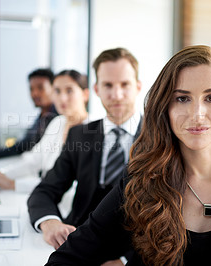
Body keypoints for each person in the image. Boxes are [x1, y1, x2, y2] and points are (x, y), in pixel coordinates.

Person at [45, 45, 211, 265]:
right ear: (166, 107)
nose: (197, 114)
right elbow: (68, 258)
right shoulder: (140, 183)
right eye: (182, 98)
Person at [27, 48, 142, 258]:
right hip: (78, 240)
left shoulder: (162, 138)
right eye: (108, 85)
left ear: (138, 86)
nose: (116, 95)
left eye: (124, 85)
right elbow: (45, 190)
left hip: (131, 250)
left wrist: (128, 262)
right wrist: (49, 222)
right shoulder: (80, 135)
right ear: (97, 89)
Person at [0, 70, 89, 193]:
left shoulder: (93, 132)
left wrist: (13, 184)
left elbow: (70, 186)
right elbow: (33, 160)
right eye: (57, 91)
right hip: (45, 199)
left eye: (69, 91)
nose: (62, 98)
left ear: (85, 94)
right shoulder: (57, 123)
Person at [0, 68, 59, 160]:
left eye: (40, 88)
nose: (34, 93)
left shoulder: (59, 117)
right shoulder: (40, 118)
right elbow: (23, 145)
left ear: (54, 89)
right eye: (31, 89)